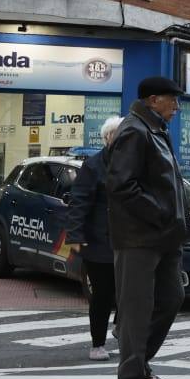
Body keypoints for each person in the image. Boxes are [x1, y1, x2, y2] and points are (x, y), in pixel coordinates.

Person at [105, 77, 190, 379]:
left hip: (165, 237)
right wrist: (158, 213)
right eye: (173, 101)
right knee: (137, 309)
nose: (177, 108)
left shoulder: (155, 130)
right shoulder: (134, 131)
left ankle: (140, 362)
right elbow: (121, 185)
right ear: (154, 100)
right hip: (140, 237)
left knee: (172, 298)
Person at [65, 115, 123, 361]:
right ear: (109, 138)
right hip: (99, 242)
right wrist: (76, 235)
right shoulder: (93, 166)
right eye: (122, 137)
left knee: (130, 293)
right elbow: (79, 203)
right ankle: (97, 343)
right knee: (102, 295)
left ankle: (121, 329)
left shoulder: (133, 164)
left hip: (128, 242)